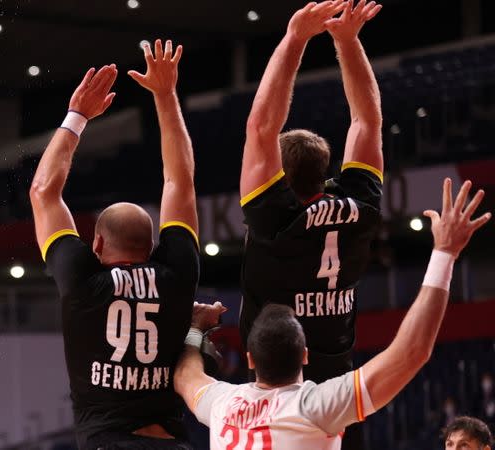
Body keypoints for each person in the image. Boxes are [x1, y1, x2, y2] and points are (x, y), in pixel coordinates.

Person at [175, 178, 490, 449]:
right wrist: (444, 253)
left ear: (250, 360)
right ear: (305, 356)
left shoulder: (222, 403)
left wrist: (195, 328)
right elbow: (411, 352)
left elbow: (184, 376)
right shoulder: (315, 406)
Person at [29, 39, 199, 449]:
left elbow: (42, 192)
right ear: (156, 242)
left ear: (97, 242)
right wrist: (166, 95)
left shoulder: (81, 278)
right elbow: (180, 181)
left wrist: (77, 116)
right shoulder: (177, 271)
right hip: (171, 441)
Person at [238, 1, 383, 447]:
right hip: (339, 389)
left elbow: (262, 125)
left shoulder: (273, 217)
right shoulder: (360, 206)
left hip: (277, 396)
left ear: (276, 177)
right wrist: (348, 41)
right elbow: (367, 118)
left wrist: (295, 38)